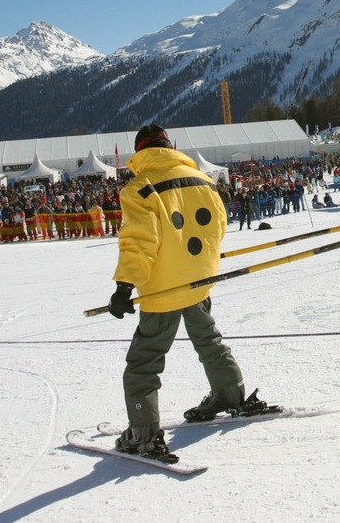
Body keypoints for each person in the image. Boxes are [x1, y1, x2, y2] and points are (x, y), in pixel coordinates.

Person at [107, 125, 266, 460]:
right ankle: (229, 394)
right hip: (200, 278)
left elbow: (139, 241)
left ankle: (144, 433)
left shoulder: (140, 188)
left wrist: (125, 285)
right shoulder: (203, 179)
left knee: (144, 361)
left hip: (163, 287)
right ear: (169, 147)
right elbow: (219, 224)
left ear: (141, 152)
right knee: (208, 338)